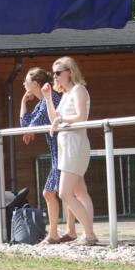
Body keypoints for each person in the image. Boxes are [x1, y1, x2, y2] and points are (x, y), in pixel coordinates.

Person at [41, 57, 98, 245]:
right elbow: (54, 119)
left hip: (76, 146)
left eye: (58, 73)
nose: (54, 77)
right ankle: (88, 234)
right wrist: (48, 98)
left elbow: (81, 117)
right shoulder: (65, 95)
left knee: (64, 194)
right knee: (80, 193)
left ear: (70, 72)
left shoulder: (78, 90)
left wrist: (61, 119)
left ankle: (89, 234)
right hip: (66, 147)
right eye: (53, 73)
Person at [20, 67, 77, 244]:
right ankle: (69, 231)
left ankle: (54, 234)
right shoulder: (41, 102)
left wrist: (29, 130)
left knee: (50, 193)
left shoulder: (49, 99)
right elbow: (26, 124)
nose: (23, 84)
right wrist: (23, 102)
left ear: (35, 84)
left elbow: (31, 126)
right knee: (66, 192)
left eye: (26, 81)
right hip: (57, 153)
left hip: (62, 152)